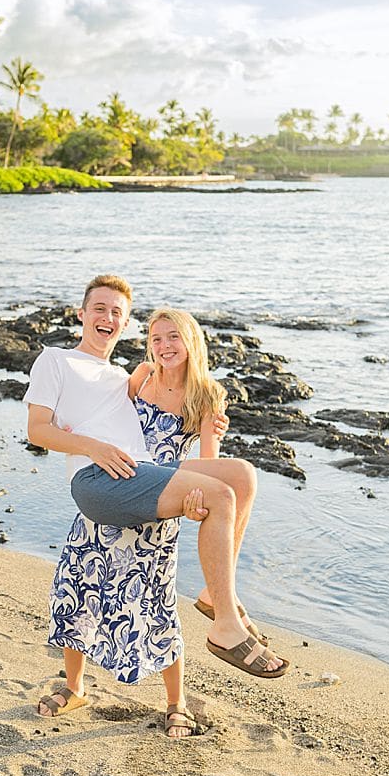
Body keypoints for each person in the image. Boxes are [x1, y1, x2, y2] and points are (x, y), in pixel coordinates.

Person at [24, 276, 288, 731]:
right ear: (82, 313)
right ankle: (78, 685)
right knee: (81, 589)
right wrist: (90, 448)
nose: (108, 318)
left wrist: (199, 482)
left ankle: (211, 611)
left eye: (117, 314)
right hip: (120, 481)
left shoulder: (145, 382)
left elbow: (203, 459)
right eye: (100, 309)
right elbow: (44, 430)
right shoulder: (84, 366)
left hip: (156, 485)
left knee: (240, 479)